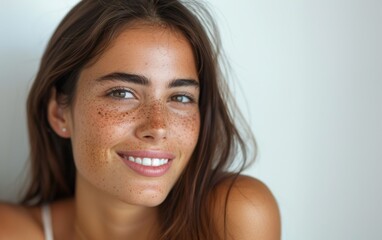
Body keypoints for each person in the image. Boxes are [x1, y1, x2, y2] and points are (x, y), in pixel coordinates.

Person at [0, 0, 280, 239]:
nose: (157, 127)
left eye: (180, 97)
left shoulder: (236, 215)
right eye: (122, 93)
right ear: (60, 112)